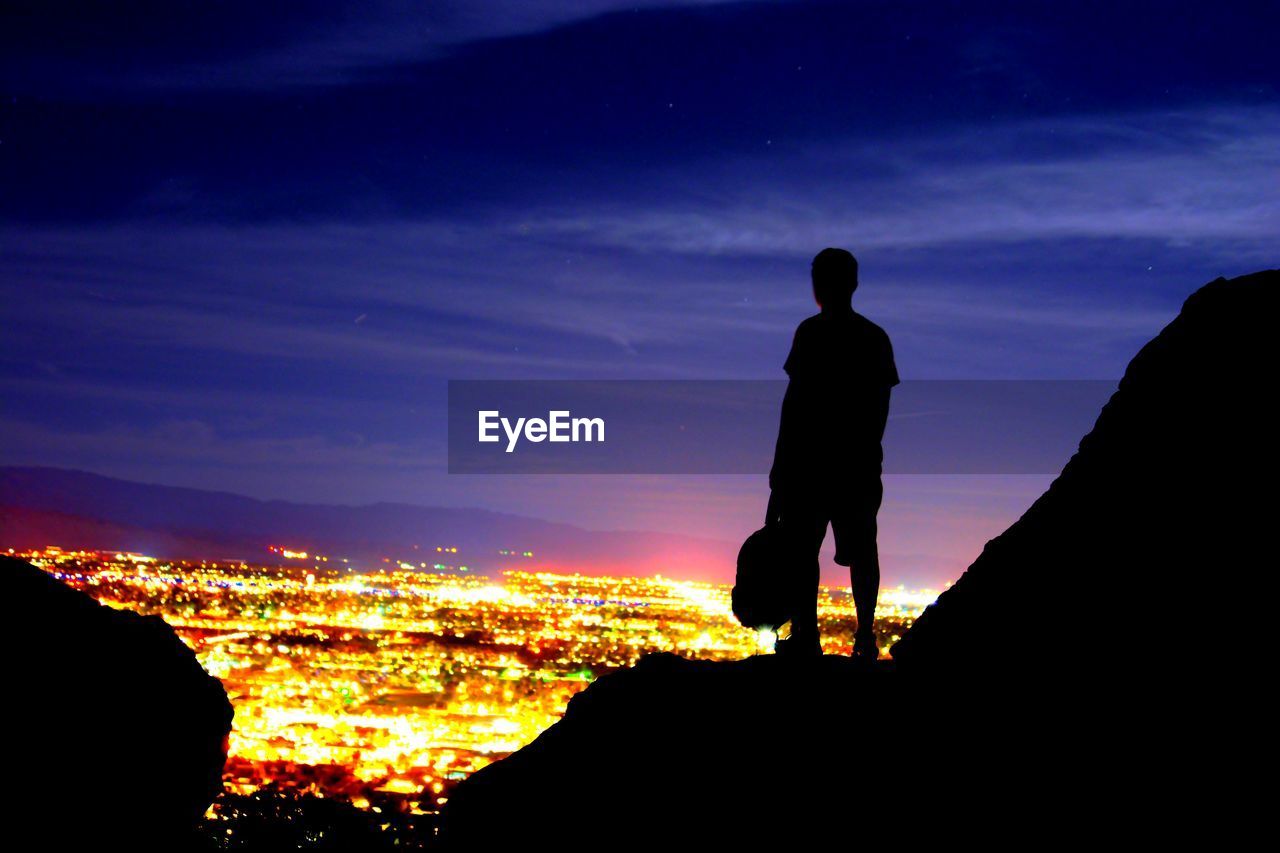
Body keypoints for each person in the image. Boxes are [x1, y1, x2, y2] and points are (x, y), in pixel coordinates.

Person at [767, 248, 898, 660]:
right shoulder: (874, 337)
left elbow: (796, 404)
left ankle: (808, 636)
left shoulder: (811, 333)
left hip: (809, 463)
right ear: (854, 283)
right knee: (861, 550)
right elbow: (880, 408)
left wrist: (780, 468)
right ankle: (865, 636)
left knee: (804, 548)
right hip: (857, 463)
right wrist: (865, 452)